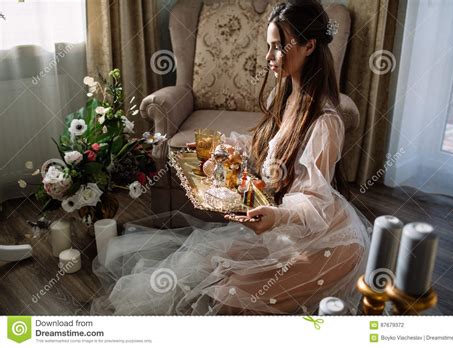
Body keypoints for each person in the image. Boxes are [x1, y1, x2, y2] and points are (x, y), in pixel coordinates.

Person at [91, 0, 370, 315]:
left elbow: (314, 200)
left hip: (324, 241)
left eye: (278, 47)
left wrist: (275, 216)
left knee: (230, 297)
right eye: (268, 46)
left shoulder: (326, 121)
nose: (268, 57)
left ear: (309, 46)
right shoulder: (286, 95)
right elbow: (265, 144)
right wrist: (227, 149)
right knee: (211, 269)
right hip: (285, 227)